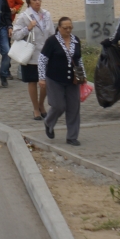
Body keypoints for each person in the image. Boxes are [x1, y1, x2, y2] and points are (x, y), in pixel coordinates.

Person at [38, 17, 86, 146]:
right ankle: (49, 122)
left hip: (73, 80)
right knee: (59, 105)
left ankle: (72, 136)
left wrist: (83, 76)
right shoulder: (52, 41)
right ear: (59, 27)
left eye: (70, 27)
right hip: (55, 79)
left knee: (74, 108)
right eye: (65, 28)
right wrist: (41, 78)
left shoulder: (75, 40)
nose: (68, 30)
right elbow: (42, 60)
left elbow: (79, 59)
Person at [12, 0, 52, 120]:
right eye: (34, 0)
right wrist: (27, 28)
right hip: (31, 54)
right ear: (29, 2)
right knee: (33, 81)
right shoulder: (24, 16)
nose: (37, 2)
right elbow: (15, 35)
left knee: (45, 82)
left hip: (45, 53)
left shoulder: (46, 14)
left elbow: (51, 34)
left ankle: (41, 105)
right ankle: (35, 108)